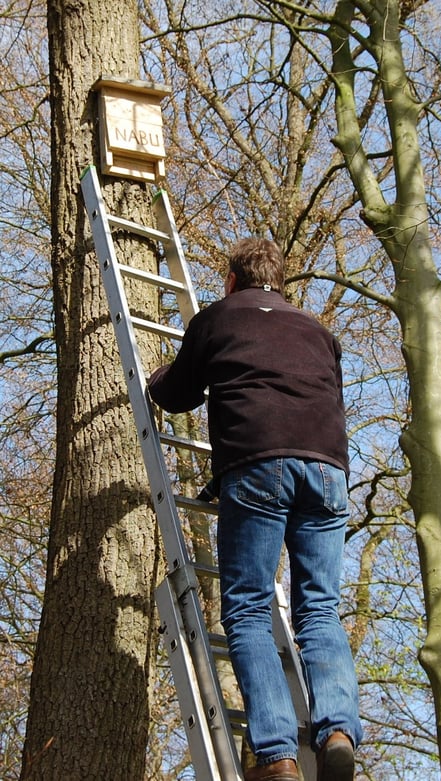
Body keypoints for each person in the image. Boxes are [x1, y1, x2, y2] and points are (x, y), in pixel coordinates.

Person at [148, 238, 363, 781]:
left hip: (259, 464)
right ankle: (337, 730)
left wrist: (152, 377)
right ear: (282, 283)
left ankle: (277, 755)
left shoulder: (217, 318)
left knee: (245, 609)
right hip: (329, 470)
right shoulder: (318, 331)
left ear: (232, 281)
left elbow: (178, 395)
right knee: (320, 608)